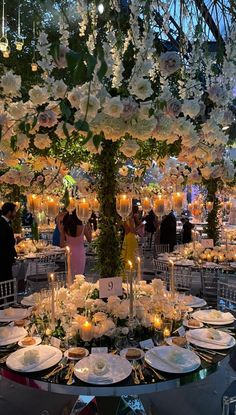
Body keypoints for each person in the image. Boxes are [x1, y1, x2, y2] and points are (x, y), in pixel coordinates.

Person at [61, 209, 92, 276]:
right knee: (80, 276)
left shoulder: (65, 228)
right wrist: (90, 229)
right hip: (80, 253)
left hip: (70, 253)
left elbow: (61, 244)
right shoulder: (83, 227)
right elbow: (89, 240)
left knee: (70, 275)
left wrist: (69, 243)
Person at [0, 202, 17, 281]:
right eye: (14, 211)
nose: (15, 213)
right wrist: (17, 240)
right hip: (4, 259)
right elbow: (5, 241)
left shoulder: (4, 222)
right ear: (9, 212)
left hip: (5, 259)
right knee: (6, 280)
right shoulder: (2, 223)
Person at [121, 206, 139, 270]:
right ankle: (131, 269)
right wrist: (140, 226)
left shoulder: (124, 219)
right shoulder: (131, 219)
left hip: (126, 237)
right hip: (131, 238)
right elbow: (132, 231)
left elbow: (127, 231)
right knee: (131, 254)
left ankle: (126, 269)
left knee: (126, 254)